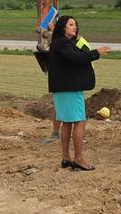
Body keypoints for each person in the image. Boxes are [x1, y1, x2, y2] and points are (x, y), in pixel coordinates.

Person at [48, 15, 111, 170]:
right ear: (63, 27)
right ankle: (78, 159)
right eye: (70, 25)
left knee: (67, 122)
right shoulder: (63, 43)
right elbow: (76, 57)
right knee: (79, 121)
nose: (74, 27)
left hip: (62, 88)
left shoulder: (59, 42)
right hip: (69, 88)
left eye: (75, 25)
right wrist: (96, 52)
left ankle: (66, 158)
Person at [42, 34, 94, 143]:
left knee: (77, 114)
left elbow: (82, 58)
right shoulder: (61, 42)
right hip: (65, 80)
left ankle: (79, 136)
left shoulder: (75, 43)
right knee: (60, 109)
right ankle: (56, 133)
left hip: (76, 79)